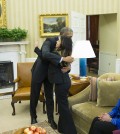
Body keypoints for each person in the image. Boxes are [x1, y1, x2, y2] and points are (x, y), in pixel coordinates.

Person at [30, 27, 73, 129]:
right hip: (39, 71)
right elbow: (44, 54)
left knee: (49, 97)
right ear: (62, 35)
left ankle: (50, 119)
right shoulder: (50, 40)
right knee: (35, 95)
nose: (70, 39)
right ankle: (33, 117)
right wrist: (62, 58)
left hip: (51, 74)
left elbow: (66, 61)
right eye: (69, 37)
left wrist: (68, 68)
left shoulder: (66, 44)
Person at [48, 36, 77, 134]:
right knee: (62, 106)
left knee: (63, 108)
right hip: (63, 82)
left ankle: (71, 131)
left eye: (59, 40)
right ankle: (62, 128)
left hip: (62, 83)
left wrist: (68, 66)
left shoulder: (59, 55)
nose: (57, 41)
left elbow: (47, 55)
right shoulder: (64, 54)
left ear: (63, 43)